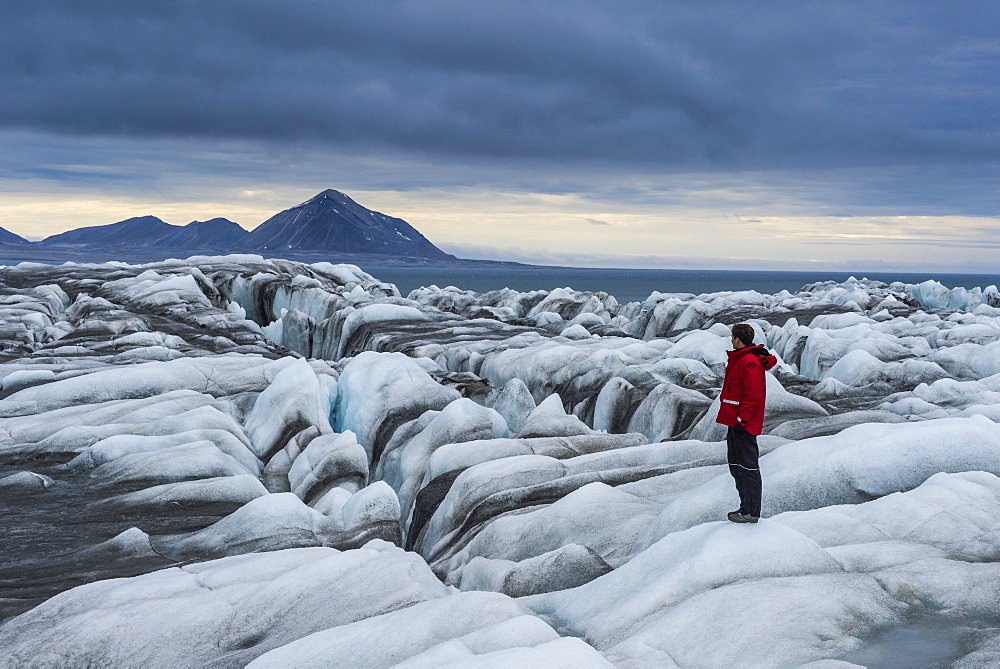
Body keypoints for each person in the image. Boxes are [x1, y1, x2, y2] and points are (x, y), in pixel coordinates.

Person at [716, 323, 777, 523]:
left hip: (743, 424)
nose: (731, 339)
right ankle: (744, 508)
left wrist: (742, 420)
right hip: (734, 421)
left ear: (737, 338)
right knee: (737, 466)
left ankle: (751, 512)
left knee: (748, 468)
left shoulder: (748, 362)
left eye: (732, 336)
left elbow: (753, 395)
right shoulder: (740, 358)